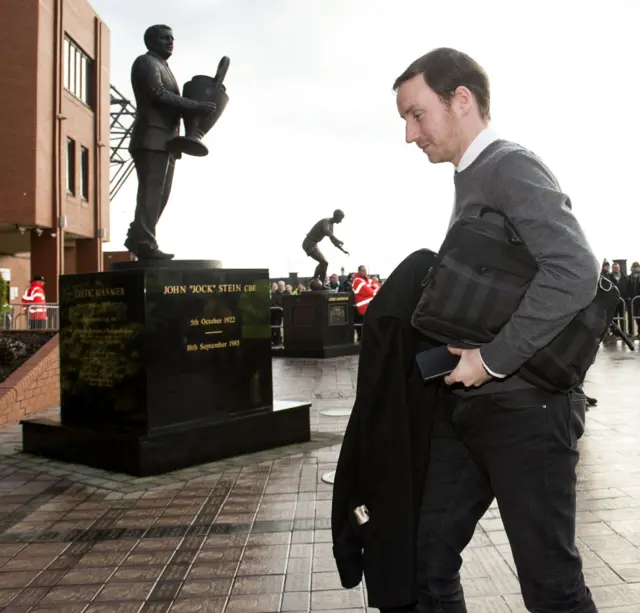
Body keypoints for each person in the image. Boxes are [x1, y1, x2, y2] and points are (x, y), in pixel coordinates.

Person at [394, 48, 599, 613]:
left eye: (417, 115)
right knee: (427, 559)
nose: (410, 135)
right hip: (472, 410)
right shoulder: (471, 176)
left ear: (460, 100)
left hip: (527, 411)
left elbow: (576, 269)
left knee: (550, 586)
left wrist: (490, 360)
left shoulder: (509, 165)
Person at [125, 24, 216, 260]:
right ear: (151, 41)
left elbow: (173, 99)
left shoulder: (164, 66)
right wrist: (195, 105)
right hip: (152, 137)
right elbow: (158, 94)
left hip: (168, 141)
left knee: (160, 195)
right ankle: (144, 241)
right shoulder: (146, 62)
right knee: (151, 193)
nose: (170, 41)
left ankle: (138, 235)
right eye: (165, 38)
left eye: (172, 38)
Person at [302, 210, 349, 281]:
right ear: (336, 216)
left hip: (314, 244)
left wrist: (343, 250)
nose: (341, 221)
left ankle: (315, 279)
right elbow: (326, 230)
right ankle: (319, 281)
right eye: (340, 219)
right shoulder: (326, 221)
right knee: (324, 262)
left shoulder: (331, 226)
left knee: (323, 263)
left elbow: (333, 241)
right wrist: (337, 239)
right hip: (308, 243)